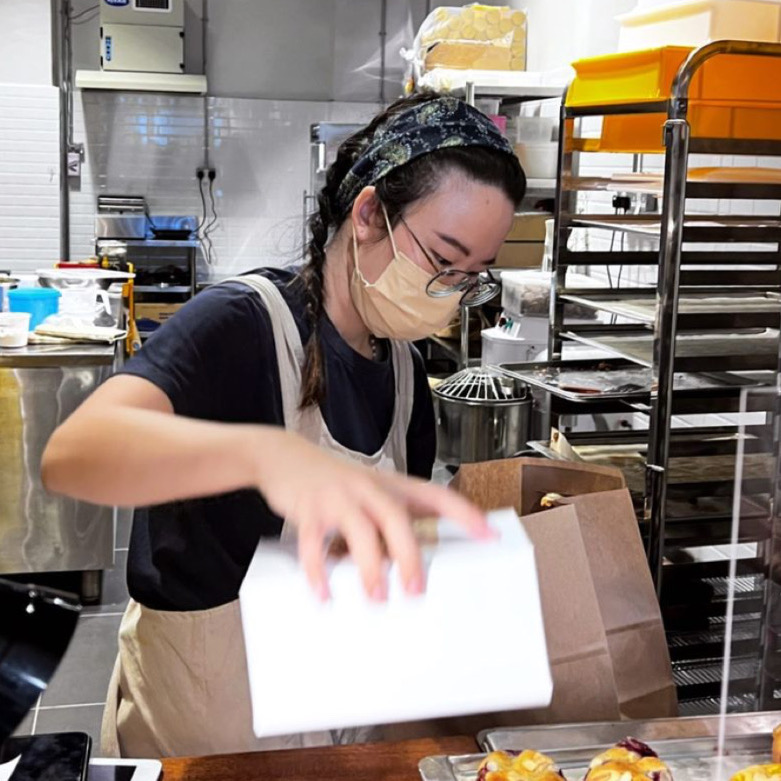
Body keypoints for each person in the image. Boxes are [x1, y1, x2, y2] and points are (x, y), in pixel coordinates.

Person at [41, 93, 526, 758]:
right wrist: (263, 454)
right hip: (210, 730)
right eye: (441, 259)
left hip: (332, 718)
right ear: (367, 215)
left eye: (469, 277)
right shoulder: (242, 322)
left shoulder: (408, 373)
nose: (446, 291)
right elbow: (75, 453)